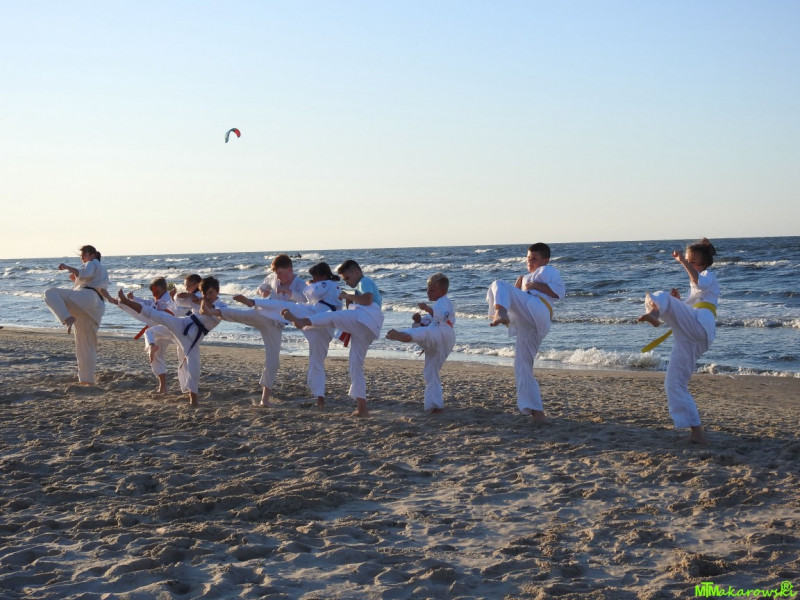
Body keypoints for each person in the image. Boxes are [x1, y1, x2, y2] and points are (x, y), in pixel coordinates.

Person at [203, 262, 341, 408]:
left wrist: (298, 288)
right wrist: (262, 290)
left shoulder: (316, 284)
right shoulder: (273, 278)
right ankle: (234, 306)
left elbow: (308, 294)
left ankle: (270, 398)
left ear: (289, 270)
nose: (278, 276)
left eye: (281, 273)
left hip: (299, 320)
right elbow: (263, 287)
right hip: (283, 315)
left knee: (280, 355)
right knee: (247, 313)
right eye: (277, 273)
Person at [638, 238, 719, 444]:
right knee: (674, 383)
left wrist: (682, 261)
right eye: (688, 261)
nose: (690, 265)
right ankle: (697, 433)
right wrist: (680, 302)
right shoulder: (697, 288)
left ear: (704, 264)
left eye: (693, 262)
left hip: (701, 325)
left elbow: (697, 281)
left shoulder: (708, 276)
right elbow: (693, 302)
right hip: (692, 336)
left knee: (660, 296)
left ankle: (655, 313)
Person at [282, 259, 383, 418]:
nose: (346, 282)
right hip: (368, 328)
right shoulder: (359, 289)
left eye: (347, 278)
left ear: (356, 272)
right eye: (344, 280)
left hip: (367, 318)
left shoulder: (364, 281)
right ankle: (362, 409)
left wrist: (347, 296)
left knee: (332, 317)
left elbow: (368, 300)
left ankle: (304, 322)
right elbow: (360, 303)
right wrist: (350, 300)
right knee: (355, 366)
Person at [486, 243, 565, 423]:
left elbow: (559, 292)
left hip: (538, 308)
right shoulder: (525, 278)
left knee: (498, 284)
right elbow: (518, 294)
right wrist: (518, 287)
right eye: (528, 258)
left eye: (534, 258)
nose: (530, 261)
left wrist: (534, 284)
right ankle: (537, 413)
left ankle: (501, 312)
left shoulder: (547, 270)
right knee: (522, 366)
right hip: (530, 322)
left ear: (545, 260)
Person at [116, 276, 224, 405]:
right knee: (157, 316)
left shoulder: (221, 305)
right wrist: (190, 296)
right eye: (205, 293)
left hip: (193, 338)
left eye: (210, 293)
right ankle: (126, 302)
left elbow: (220, 313)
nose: (207, 296)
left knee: (193, 367)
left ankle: (193, 400)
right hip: (182, 324)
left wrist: (206, 306)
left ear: (217, 291)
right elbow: (177, 299)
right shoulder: (197, 298)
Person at [386, 273, 455, 413]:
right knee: (430, 372)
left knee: (423, 333)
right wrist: (418, 321)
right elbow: (428, 321)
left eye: (432, 290)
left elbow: (443, 317)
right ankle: (435, 405)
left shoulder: (444, 302)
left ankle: (406, 335)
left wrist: (428, 309)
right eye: (428, 289)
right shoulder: (438, 305)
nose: (428, 292)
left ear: (443, 291)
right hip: (443, 337)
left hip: (442, 332)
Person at [44, 245, 110, 385]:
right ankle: (87, 380)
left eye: (83, 255)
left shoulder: (92, 263)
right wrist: (74, 276)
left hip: (86, 297)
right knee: (86, 345)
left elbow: (85, 273)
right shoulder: (102, 270)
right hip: (96, 306)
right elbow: (86, 278)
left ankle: (67, 318)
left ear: (92, 255)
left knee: (50, 293)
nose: (82, 258)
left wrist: (67, 267)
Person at [116, 277, 177, 394]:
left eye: (155, 290)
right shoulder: (160, 298)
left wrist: (130, 301)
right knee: (157, 357)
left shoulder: (167, 299)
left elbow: (151, 307)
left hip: (167, 328)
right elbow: (148, 303)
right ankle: (162, 387)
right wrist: (134, 298)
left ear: (162, 288)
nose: (154, 293)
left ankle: (152, 347)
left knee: (157, 352)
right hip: (159, 328)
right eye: (153, 291)